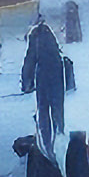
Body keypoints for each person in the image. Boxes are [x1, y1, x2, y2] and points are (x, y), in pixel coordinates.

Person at [21, 13, 67, 155]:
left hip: (44, 76)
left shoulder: (35, 36)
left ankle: (47, 144)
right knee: (57, 108)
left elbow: (30, 59)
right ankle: (60, 136)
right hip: (57, 74)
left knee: (43, 109)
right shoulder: (51, 32)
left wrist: (26, 83)